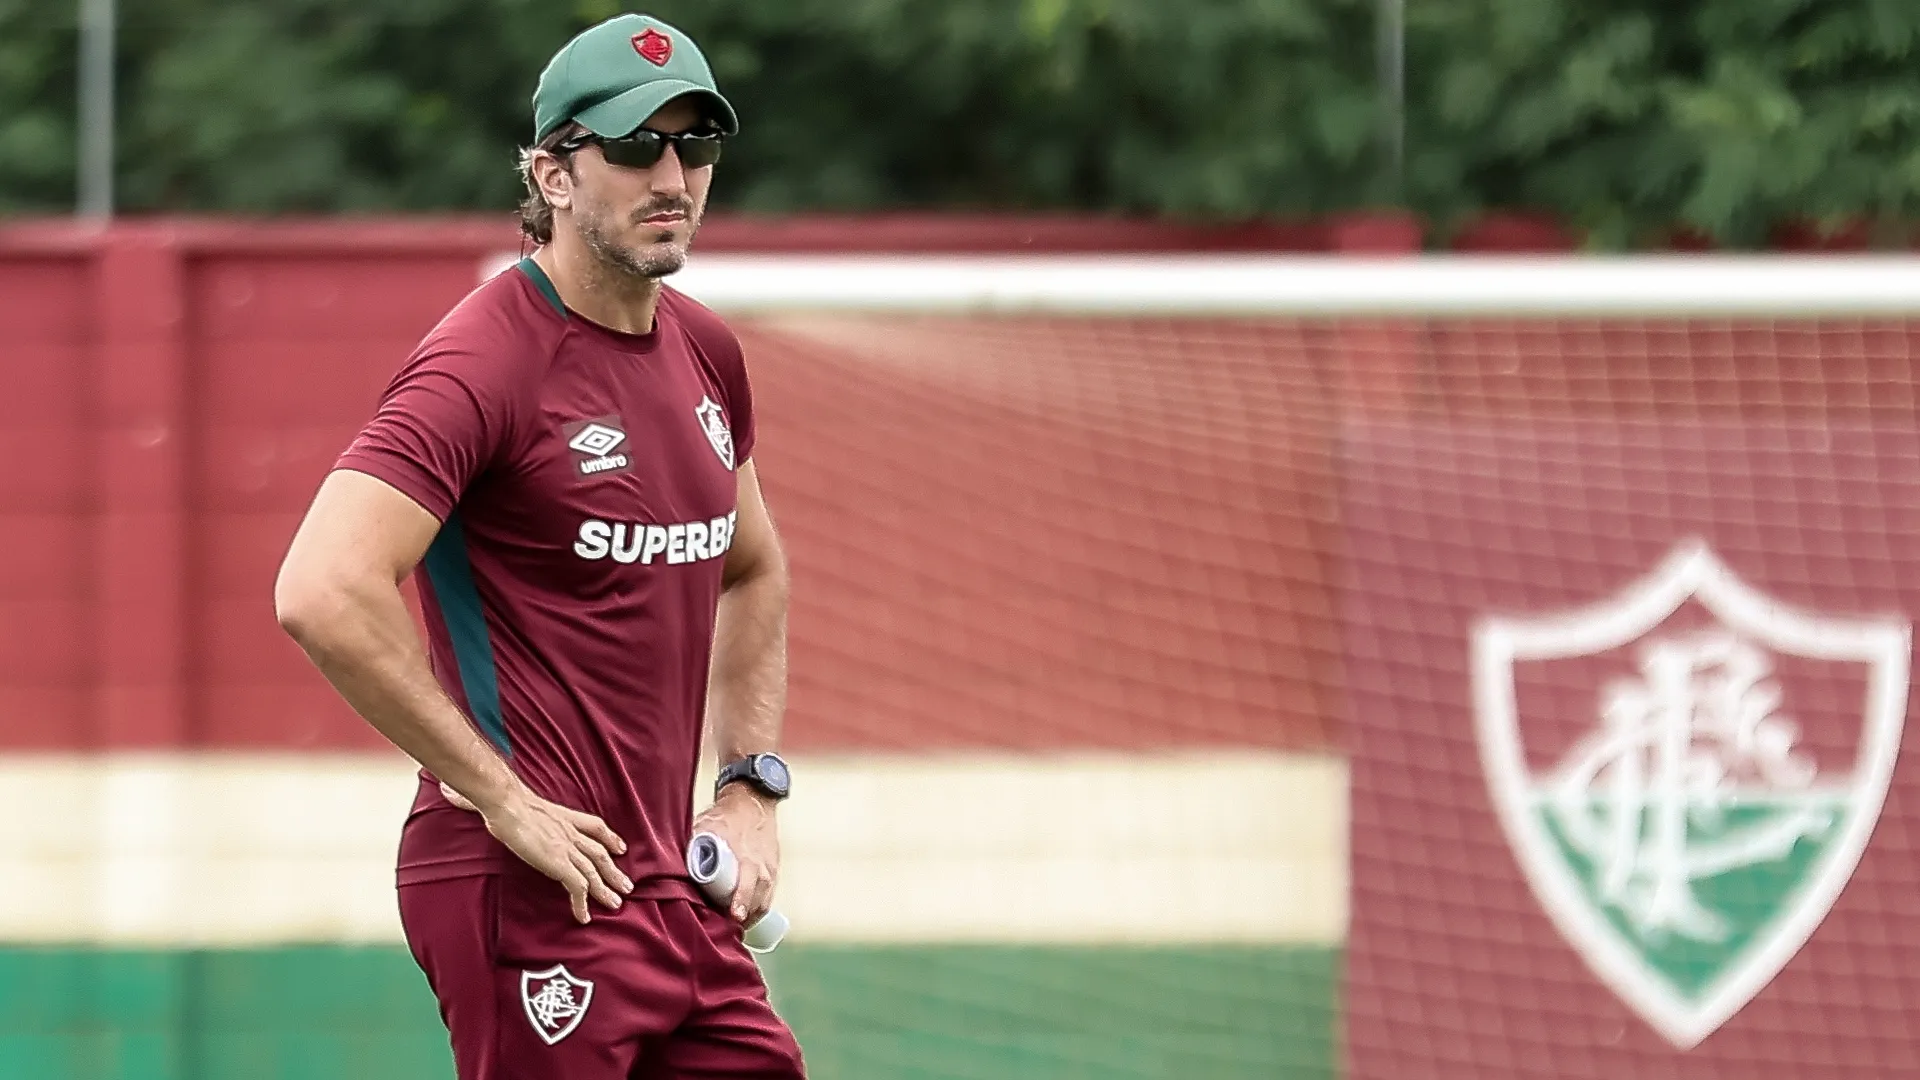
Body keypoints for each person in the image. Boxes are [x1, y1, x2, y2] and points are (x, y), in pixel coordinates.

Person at [273, 13, 805, 1078]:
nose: (672, 174)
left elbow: (753, 568)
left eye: (695, 144)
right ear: (552, 174)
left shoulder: (706, 351)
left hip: (667, 886)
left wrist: (749, 788)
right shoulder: (483, 361)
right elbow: (322, 588)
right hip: (525, 882)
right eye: (633, 145)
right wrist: (503, 797)